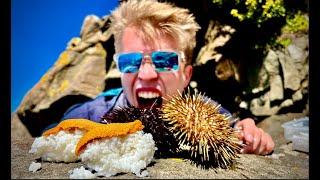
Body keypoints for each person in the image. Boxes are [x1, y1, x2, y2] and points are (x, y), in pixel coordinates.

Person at [55, 0, 274, 155]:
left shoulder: (206, 112)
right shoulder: (88, 115)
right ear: (120, 70)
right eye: (130, 61)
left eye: (164, 60)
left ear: (186, 76)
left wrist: (247, 134)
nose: (147, 74)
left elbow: (236, 129)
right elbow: (49, 142)